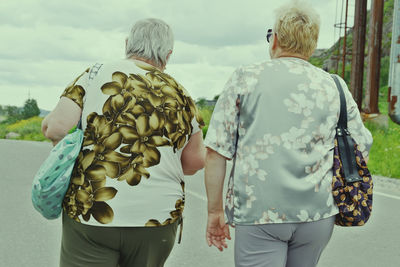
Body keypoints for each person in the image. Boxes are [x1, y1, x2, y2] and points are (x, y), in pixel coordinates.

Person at [203, 2, 373, 267]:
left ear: (276, 39)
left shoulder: (245, 78)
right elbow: (361, 145)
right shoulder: (334, 85)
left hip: (260, 212)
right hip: (317, 214)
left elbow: (215, 151)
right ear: (312, 44)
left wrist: (215, 211)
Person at [41, 18, 206, 267]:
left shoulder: (94, 75)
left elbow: (56, 128)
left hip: (92, 210)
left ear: (128, 44)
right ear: (168, 55)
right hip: (156, 219)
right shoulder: (182, 94)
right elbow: (194, 162)